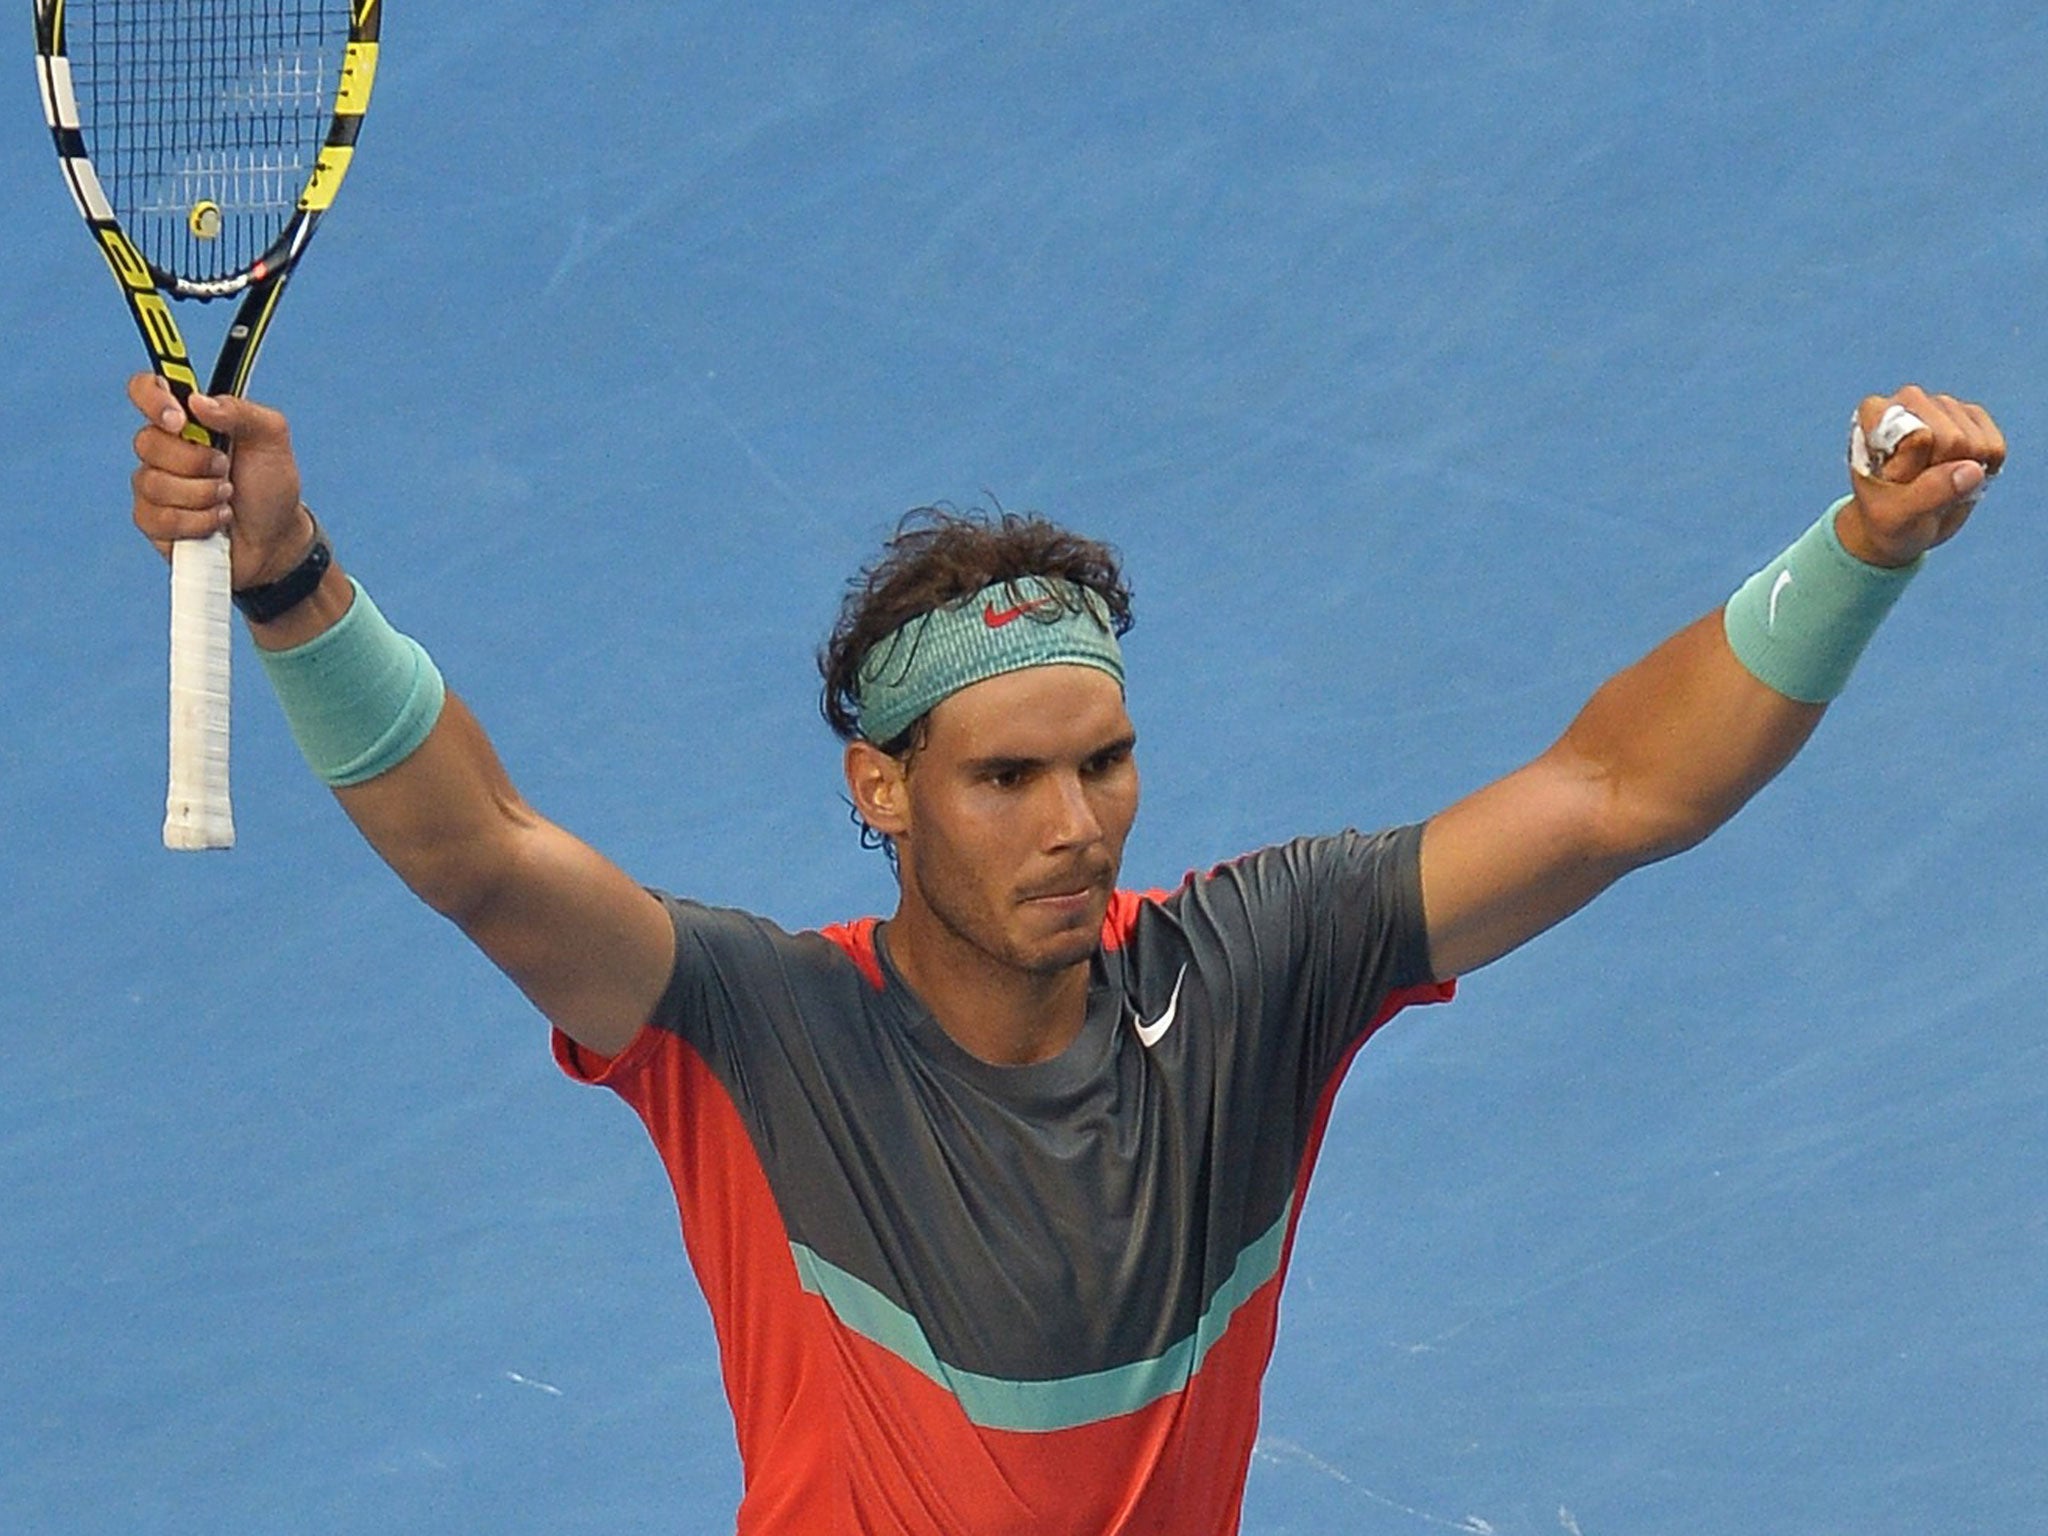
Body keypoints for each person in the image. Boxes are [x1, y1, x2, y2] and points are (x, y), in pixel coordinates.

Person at [124, 374, 2004, 1535]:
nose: (1075, 824)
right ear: (884, 789)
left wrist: (1861, 545)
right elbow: (483, 855)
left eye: (1101, 763)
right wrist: (290, 579)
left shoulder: (1263, 969)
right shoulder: (756, 1035)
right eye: (1005, 778)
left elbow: (1616, 792)